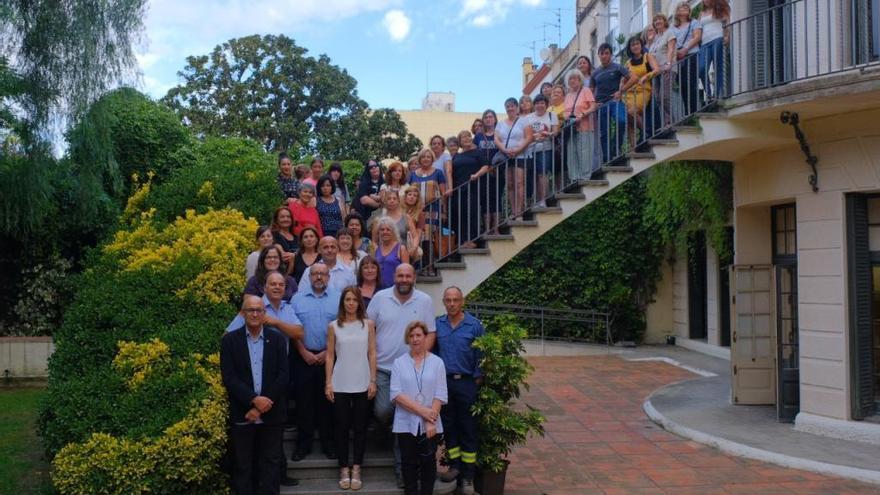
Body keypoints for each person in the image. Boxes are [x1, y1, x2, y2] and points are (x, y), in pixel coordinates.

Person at [367, 264, 436, 488]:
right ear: (394, 277)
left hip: (411, 370)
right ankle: (381, 430)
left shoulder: (424, 300)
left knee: (404, 423)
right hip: (384, 367)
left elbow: (431, 333)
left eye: (408, 275)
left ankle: (401, 472)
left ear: (414, 277)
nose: (404, 278)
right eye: (400, 275)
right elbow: (369, 329)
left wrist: (422, 358)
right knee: (383, 411)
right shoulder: (380, 297)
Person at [221, 295, 290, 495]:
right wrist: (253, 401)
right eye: (250, 310)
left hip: (273, 412)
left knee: (271, 464)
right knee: (243, 465)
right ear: (242, 314)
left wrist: (263, 404)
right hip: (243, 413)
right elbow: (230, 377)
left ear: (264, 314)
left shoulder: (276, 339)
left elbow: (283, 375)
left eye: (259, 310)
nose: (254, 314)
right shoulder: (230, 341)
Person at [325, 286, 377, 491]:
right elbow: (329, 355)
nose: (351, 303)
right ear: (342, 302)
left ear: (359, 303)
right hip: (340, 382)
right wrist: (328, 382)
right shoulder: (333, 326)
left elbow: (372, 353)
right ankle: (343, 467)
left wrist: (373, 380)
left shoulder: (368, 324)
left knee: (361, 428)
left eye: (354, 300)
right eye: (347, 299)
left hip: (363, 381)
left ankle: (357, 467)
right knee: (341, 427)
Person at [289, 263, 342, 462]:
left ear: (329, 277)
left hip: (330, 358)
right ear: (309, 277)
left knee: (328, 404)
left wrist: (328, 352)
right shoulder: (297, 299)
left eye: (323, 274)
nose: (319, 277)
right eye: (315, 274)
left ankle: (329, 444)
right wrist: (303, 351)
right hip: (304, 357)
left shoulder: (338, 299)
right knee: (304, 404)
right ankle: (303, 445)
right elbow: (293, 329)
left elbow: (342, 328)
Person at [434, 287, 483, 495]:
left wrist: (476, 382)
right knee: (450, 427)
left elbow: (482, 356)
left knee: (468, 429)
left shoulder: (475, 326)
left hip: (466, 383)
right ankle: (455, 466)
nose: (452, 303)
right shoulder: (438, 324)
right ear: (444, 302)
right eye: (448, 300)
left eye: (456, 300)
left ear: (462, 301)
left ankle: (468, 477)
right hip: (445, 384)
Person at [391, 321, 447, 495]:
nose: (415, 339)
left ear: (425, 338)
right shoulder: (399, 363)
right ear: (408, 339)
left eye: (419, 335)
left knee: (428, 463)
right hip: (405, 422)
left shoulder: (437, 363)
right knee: (408, 463)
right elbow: (396, 394)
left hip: (431, 425)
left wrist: (431, 420)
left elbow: (440, 394)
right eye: (412, 336)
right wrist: (425, 413)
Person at [593, 42, 638, 163]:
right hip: (601, 105)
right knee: (604, 132)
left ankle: (615, 147)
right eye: (601, 53)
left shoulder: (617, 67)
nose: (604, 56)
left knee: (622, 120)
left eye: (606, 53)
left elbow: (634, 78)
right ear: (598, 55)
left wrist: (621, 90)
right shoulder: (595, 72)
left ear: (611, 54)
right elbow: (591, 90)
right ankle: (607, 159)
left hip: (615, 101)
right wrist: (593, 103)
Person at [449, 130, 490, 249]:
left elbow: (486, 166)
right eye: (463, 137)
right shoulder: (457, 155)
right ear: (460, 142)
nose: (466, 139)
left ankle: (472, 240)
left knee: (471, 213)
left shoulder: (477, 153)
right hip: (458, 189)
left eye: (468, 136)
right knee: (460, 215)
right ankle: (461, 241)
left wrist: (476, 175)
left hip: (472, 187)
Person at [494, 97, 533, 219]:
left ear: (517, 107)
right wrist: (505, 150)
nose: (510, 108)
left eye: (512, 106)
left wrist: (517, 150)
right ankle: (513, 211)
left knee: (519, 182)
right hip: (506, 156)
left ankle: (519, 212)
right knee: (510, 184)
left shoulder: (523, 121)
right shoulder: (500, 123)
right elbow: (496, 139)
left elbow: (529, 137)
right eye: (508, 106)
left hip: (520, 155)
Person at [644, 12, 679, 135]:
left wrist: (669, 63)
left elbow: (671, 49)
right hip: (657, 72)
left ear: (664, 21)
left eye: (660, 19)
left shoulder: (670, 33)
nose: (657, 22)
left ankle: (671, 120)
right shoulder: (655, 39)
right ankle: (666, 122)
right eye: (655, 20)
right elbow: (650, 56)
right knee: (658, 98)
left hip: (667, 68)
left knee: (665, 96)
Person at [409, 149, 445, 264]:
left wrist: (444, 211)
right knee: (416, 238)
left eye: (428, 157)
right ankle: (417, 267)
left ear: (432, 159)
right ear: (420, 159)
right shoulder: (413, 175)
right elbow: (408, 193)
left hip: (432, 210)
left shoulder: (438, 173)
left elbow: (443, 193)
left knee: (428, 238)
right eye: (423, 157)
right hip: (416, 212)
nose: (426, 159)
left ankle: (429, 267)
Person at [563, 69, 599, 181]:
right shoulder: (568, 95)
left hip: (585, 125)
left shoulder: (585, 90)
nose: (572, 81)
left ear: (580, 80)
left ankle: (585, 177)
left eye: (575, 78)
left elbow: (593, 106)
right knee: (572, 153)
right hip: (572, 127)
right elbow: (565, 111)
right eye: (570, 79)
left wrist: (582, 114)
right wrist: (568, 117)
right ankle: (574, 177)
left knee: (585, 152)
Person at [525, 94, 558, 206]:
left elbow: (555, 132)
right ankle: (533, 200)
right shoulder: (528, 117)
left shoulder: (551, 115)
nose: (540, 105)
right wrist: (534, 137)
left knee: (542, 174)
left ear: (546, 104)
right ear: (534, 105)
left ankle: (543, 200)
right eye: (537, 103)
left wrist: (547, 134)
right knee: (531, 176)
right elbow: (525, 135)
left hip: (545, 148)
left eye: (542, 103)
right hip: (530, 150)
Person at [672, 1, 702, 115]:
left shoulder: (694, 22)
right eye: (681, 7)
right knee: (683, 85)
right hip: (678, 58)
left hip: (691, 54)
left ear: (689, 11)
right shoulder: (673, 27)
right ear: (677, 11)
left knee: (692, 83)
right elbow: (671, 43)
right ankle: (687, 112)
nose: (683, 9)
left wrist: (685, 49)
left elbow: (697, 37)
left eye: (686, 7)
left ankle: (694, 110)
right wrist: (676, 53)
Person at [624, 36, 653, 150]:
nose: (635, 46)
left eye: (637, 44)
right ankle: (634, 147)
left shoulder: (647, 57)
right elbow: (624, 78)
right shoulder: (628, 63)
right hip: (630, 92)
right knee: (627, 118)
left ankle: (646, 133)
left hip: (643, 90)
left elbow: (657, 69)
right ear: (630, 48)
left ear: (641, 45)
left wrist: (646, 76)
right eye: (632, 45)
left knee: (631, 112)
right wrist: (621, 88)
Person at [474, 109, 501, 233]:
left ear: (495, 119)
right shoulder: (478, 136)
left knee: (496, 199)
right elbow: (474, 153)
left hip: (498, 172)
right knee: (485, 201)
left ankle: (496, 229)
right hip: (483, 173)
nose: (488, 119)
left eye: (490, 117)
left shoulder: (500, 133)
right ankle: (487, 229)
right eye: (486, 117)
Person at [371, 189, 418, 259]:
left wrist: (413, 249)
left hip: (403, 254)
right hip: (384, 256)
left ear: (398, 201)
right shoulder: (378, 220)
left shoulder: (406, 217)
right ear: (385, 201)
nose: (392, 201)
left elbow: (415, 236)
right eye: (389, 199)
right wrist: (378, 252)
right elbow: (374, 241)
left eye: (394, 198)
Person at [699, 0, 730, 100]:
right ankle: (708, 93)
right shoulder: (701, 13)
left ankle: (716, 94)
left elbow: (727, 22)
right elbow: (698, 28)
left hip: (718, 38)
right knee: (701, 68)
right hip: (705, 43)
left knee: (718, 68)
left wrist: (727, 36)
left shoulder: (720, 8)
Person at [374, 217, 410, 290]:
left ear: (393, 232)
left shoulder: (401, 249)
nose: (385, 232)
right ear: (379, 232)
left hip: (397, 289)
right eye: (382, 230)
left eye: (388, 229)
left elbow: (407, 271)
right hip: (379, 290)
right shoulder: (376, 249)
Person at [402, 185, 428, 270]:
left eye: (415, 196)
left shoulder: (420, 213)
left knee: (417, 254)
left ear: (417, 199)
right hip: (398, 237)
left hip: (411, 240)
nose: (412, 197)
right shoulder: (398, 209)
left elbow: (418, 232)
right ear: (405, 196)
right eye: (410, 194)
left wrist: (414, 247)